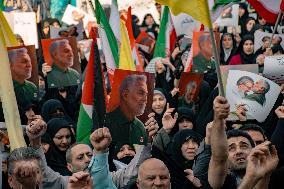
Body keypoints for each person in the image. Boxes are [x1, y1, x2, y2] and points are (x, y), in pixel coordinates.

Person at [26, 117, 151, 189]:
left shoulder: (111, 178)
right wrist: (35, 142)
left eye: (90, 155)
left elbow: (136, 169)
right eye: (80, 158)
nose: (87, 160)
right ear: (69, 167)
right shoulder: (65, 183)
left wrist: (147, 139)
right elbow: (42, 174)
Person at [208, 96, 278, 189]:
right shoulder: (220, 180)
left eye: (244, 146)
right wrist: (218, 118)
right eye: (231, 148)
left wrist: (266, 175)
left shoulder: (273, 173)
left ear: (254, 150)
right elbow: (219, 157)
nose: (239, 151)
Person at [105, 74, 158, 146]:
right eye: (141, 93)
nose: (145, 100)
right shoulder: (106, 123)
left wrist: (149, 139)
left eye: (146, 94)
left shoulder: (140, 127)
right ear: (125, 95)